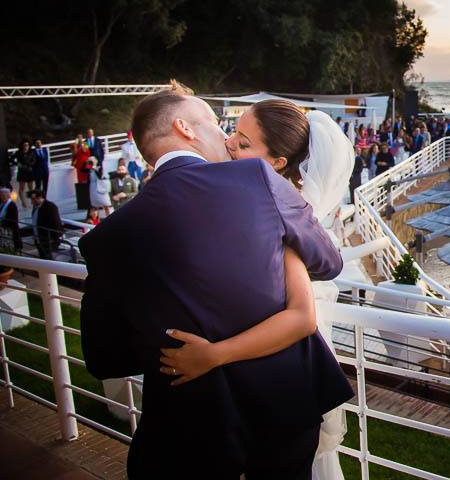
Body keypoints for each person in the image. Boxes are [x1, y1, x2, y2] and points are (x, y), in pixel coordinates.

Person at [79, 91, 353, 479]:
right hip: (282, 406)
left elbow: (103, 358)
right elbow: (328, 262)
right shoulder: (258, 177)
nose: (225, 136)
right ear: (184, 127)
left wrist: (170, 345)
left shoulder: (106, 237)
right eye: (214, 122)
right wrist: (283, 245)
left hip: (185, 422)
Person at [29, 190, 62, 260]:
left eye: (33, 199)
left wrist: (54, 238)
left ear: (40, 197)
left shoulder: (50, 207)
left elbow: (56, 223)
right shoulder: (36, 207)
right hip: (39, 239)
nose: (32, 202)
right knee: (43, 258)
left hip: (48, 240)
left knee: (50, 259)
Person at [13, 140, 37, 210]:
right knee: (22, 188)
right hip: (22, 172)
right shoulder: (18, 152)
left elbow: (34, 161)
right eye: (24, 145)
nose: (26, 147)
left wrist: (29, 165)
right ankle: (24, 203)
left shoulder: (31, 152)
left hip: (29, 171)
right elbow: (11, 159)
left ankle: (33, 201)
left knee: (31, 188)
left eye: (27, 145)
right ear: (22, 146)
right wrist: (18, 164)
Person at [0, 187, 22, 252]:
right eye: (1, 195)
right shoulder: (2, 205)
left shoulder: (12, 205)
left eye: (2, 195)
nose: (1, 197)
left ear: (7, 196)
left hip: (9, 231)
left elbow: (13, 219)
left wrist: (2, 224)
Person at [72, 140, 92, 210]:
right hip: (79, 169)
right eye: (78, 138)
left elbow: (86, 151)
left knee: (89, 183)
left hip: (87, 166)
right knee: (82, 185)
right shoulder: (76, 147)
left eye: (80, 138)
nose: (79, 139)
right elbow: (74, 155)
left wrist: (83, 145)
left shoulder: (85, 144)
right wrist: (76, 147)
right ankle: (84, 202)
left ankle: (91, 201)